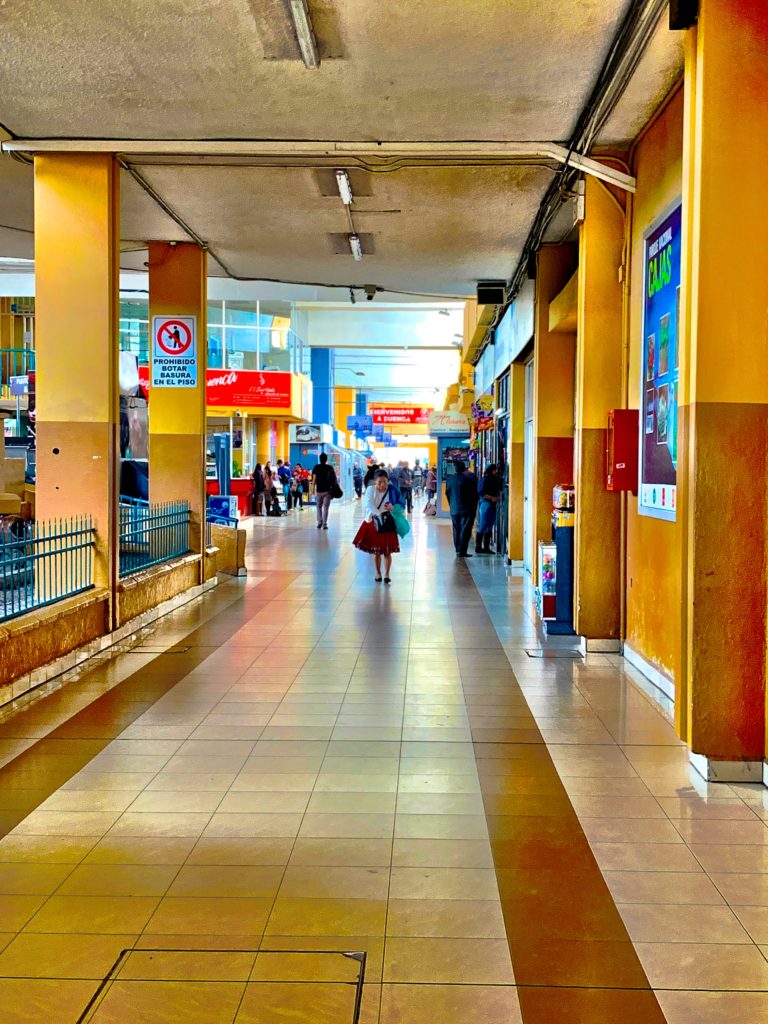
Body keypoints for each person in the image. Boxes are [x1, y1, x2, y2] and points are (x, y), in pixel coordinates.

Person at [353, 469, 404, 584]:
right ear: (375, 482)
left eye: (385, 482)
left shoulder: (393, 490)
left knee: (387, 551)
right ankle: (378, 573)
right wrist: (379, 514)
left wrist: (393, 507)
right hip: (374, 522)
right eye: (380, 482)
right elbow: (368, 504)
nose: (383, 485)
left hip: (388, 523)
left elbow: (401, 503)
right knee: (376, 551)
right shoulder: (370, 489)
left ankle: (386, 574)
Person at [445, 460, 479, 558]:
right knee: (465, 529)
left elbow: (447, 493)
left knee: (456, 529)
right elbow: (474, 495)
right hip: (467, 509)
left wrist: (451, 505)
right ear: (465, 469)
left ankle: (457, 549)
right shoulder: (469, 480)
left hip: (454, 508)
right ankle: (462, 551)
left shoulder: (450, 479)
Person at [475, 463, 501, 554]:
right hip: (486, 504)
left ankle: (486, 547)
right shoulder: (484, 480)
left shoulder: (494, 480)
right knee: (483, 524)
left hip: (492, 504)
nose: (496, 472)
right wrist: (492, 498)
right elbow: (481, 493)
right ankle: (478, 547)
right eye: (494, 470)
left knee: (489, 525)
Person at [311, 452, 338, 530]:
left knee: (318, 507)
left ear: (320, 459)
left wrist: (313, 490)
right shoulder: (330, 467)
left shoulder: (316, 467)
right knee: (326, 507)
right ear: (326, 460)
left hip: (319, 490)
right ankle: (325, 524)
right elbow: (334, 480)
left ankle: (319, 522)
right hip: (328, 491)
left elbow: (314, 480)